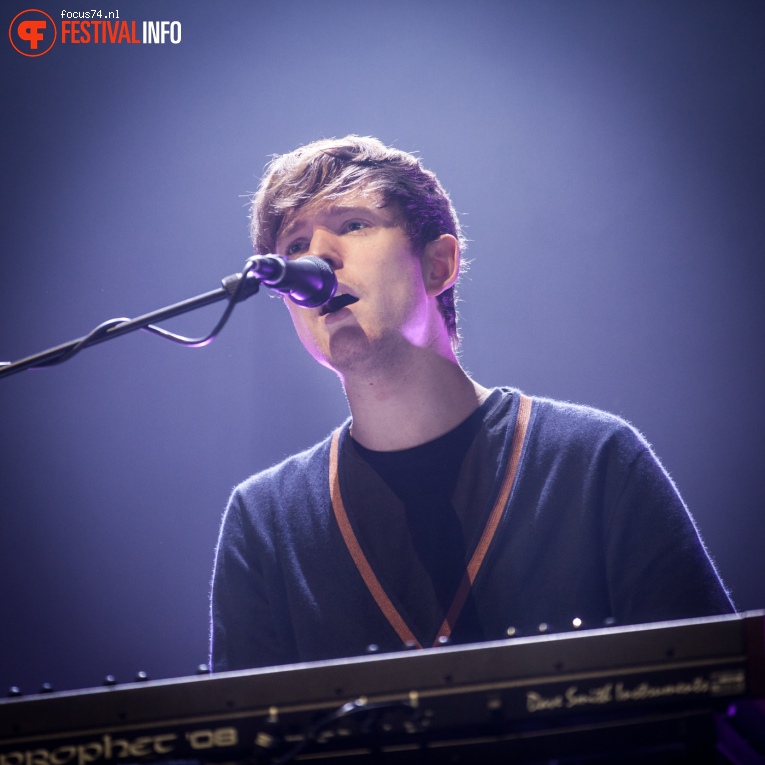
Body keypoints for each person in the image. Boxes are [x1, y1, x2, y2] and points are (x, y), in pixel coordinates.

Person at [209, 135, 733, 672]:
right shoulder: (266, 522)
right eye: (294, 246)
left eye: (353, 225)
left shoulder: (593, 461)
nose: (316, 257)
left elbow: (718, 698)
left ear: (438, 265)